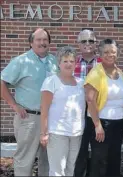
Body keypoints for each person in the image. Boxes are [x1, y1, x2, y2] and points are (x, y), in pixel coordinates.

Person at [0, 28, 58, 176]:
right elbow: (2, 82)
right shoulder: (21, 61)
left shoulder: (53, 61)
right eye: (38, 40)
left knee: (49, 159)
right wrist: (14, 105)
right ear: (31, 42)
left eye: (45, 40)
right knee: (25, 159)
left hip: (51, 119)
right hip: (29, 118)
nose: (42, 43)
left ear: (49, 43)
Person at [84, 38, 123, 177]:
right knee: (99, 161)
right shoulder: (95, 73)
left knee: (114, 159)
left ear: (118, 53)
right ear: (100, 54)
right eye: (106, 52)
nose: (110, 55)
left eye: (113, 52)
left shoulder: (119, 73)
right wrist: (97, 125)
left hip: (118, 123)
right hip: (102, 123)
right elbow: (90, 101)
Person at [40, 46, 85, 176]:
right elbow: (44, 108)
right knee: (57, 170)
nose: (69, 64)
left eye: (71, 61)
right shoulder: (51, 81)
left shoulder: (81, 83)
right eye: (65, 61)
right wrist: (43, 133)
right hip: (57, 132)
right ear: (59, 63)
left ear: (75, 63)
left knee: (70, 168)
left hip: (76, 132)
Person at [74, 29, 101, 177]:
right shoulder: (72, 62)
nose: (87, 44)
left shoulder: (103, 63)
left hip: (98, 112)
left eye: (91, 40)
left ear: (96, 43)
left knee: (98, 151)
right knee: (79, 150)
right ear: (78, 44)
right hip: (78, 113)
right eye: (83, 41)